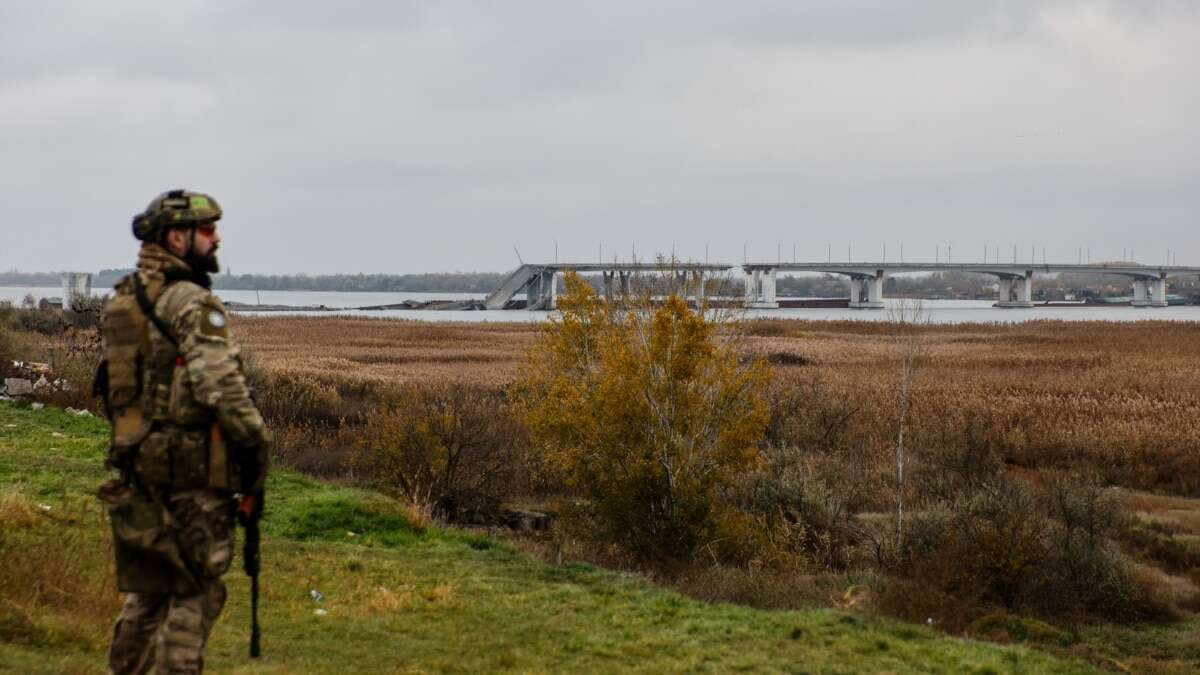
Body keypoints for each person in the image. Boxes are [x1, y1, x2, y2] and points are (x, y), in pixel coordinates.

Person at [96, 189, 270, 674]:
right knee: (196, 592)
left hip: (138, 469)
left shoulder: (124, 300)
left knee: (149, 594)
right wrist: (256, 450)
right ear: (178, 236)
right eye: (207, 230)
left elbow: (118, 391)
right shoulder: (190, 301)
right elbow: (222, 387)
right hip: (194, 475)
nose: (215, 239)